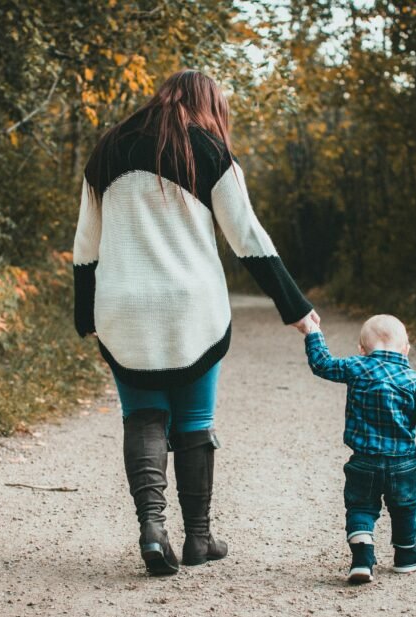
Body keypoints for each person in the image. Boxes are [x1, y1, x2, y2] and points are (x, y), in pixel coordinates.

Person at [72, 70, 319, 576]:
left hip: (122, 305)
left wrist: (85, 314)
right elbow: (247, 235)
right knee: (194, 420)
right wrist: (294, 306)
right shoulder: (207, 150)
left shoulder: (108, 148)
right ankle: (199, 539)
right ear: (207, 104)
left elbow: (85, 245)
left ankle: (151, 529)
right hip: (193, 308)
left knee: (142, 415)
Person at [300, 314, 416, 584]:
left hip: (363, 461)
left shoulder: (356, 366)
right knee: (405, 507)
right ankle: (406, 554)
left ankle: (362, 558)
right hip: (403, 464)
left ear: (362, 349)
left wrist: (312, 332)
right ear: (406, 349)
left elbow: (322, 364)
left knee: (361, 507)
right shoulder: (415, 381)